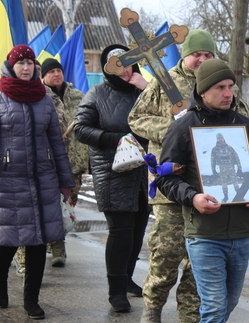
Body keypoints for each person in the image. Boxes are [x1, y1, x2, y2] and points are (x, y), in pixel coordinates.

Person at [156, 59, 249, 322]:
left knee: (229, 303)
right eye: (220, 87)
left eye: (231, 86)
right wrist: (193, 196)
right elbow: (165, 179)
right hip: (204, 234)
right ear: (203, 90)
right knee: (213, 305)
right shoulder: (183, 127)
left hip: (242, 232)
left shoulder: (244, 125)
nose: (228, 93)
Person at [128, 29, 217, 323]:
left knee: (198, 262)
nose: (201, 60)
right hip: (170, 185)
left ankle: (190, 316)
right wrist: (173, 130)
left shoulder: (221, 84)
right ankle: (152, 308)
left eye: (208, 55)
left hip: (207, 185)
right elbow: (136, 118)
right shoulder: (163, 83)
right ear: (185, 54)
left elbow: (241, 121)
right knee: (166, 254)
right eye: (196, 54)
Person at [0, 44, 75, 319]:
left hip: (44, 181)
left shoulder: (44, 100)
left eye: (30, 63)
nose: (26, 68)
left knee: (39, 241)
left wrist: (65, 180)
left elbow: (56, 142)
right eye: (21, 63)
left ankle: (31, 300)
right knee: (7, 242)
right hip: (8, 181)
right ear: (11, 66)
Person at [74, 44, 150, 313]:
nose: (124, 67)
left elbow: (173, 114)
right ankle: (116, 291)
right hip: (112, 172)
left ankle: (127, 278)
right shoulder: (96, 94)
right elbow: (80, 129)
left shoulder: (144, 92)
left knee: (138, 230)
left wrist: (146, 87)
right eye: (116, 62)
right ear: (107, 67)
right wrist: (115, 139)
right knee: (121, 232)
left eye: (127, 61)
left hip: (142, 173)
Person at [211, 132, 242, 202]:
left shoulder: (229, 148)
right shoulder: (214, 149)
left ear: (223, 138)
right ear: (217, 139)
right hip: (222, 170)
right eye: (219, 138)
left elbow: (236, 157)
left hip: (231, 168)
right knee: (224, 183)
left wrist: (239, 168)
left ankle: (240, 195)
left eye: (221, 138)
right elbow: (212, 160)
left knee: (235, 182)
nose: (220, 139)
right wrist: (213, 170)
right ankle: (226, 196)